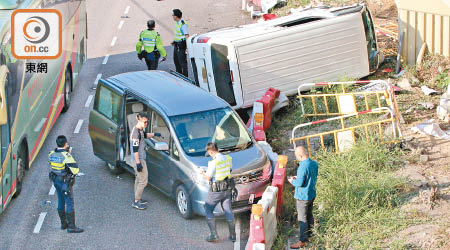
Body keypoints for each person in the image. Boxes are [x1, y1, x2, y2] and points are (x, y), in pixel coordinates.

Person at [200, 142, 236, 242]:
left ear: (211, 152)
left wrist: (203, 172)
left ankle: (214, 235)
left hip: (216, 190)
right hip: (227, 188)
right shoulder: (228, 158)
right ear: (217, 149)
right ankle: (233, 236)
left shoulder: (213, 162)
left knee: (208, 209)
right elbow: (230, 169)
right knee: (228, 210)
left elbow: (208, 177)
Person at [48, 135, 83, 233]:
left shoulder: (51, 153)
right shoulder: (66, 155)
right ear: (65, 144)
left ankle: (63, 224)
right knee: (69, 202)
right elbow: (75, 170)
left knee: (60, 200)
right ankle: (71, 227)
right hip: (64, 182)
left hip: (56, 181)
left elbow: (51, 164)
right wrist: (68, 155)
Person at [288, 146, 319, 249]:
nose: (296, 158)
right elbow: (310, 177)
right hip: (311, 194)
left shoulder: (302, 167)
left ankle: (302, 241)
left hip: (303, 196)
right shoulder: (314, 164)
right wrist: (299, 178)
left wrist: (292, 181)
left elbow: (300, 183)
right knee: (309, 215)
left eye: (297, 156)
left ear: (300, 155)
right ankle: (310, 236)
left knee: (302, 219)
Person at [130, 112, 161, 210]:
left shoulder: (140, 130)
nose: (146, 124)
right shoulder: (135, 133)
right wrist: (138, 163)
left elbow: (145, 135)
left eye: (147, 122)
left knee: (138, 179)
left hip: (139, 159)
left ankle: (137, 198)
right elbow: (135, 150)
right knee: (143, 181)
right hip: (139, 160)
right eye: (145, 122)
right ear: (138, 120)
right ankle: (136, 202)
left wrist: (154, 134)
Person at [171, 9, 189, 77]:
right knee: (176, 61)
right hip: (176, 44)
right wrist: (174, 41)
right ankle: (179, 76)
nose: (172, 16)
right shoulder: (176, 22)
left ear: (176, 16)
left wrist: (187, 48)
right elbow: (178, 34)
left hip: (181, 46)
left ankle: (185, 78)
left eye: (173, 15)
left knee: (182, 63)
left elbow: (186, 36)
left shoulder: (183, 24)